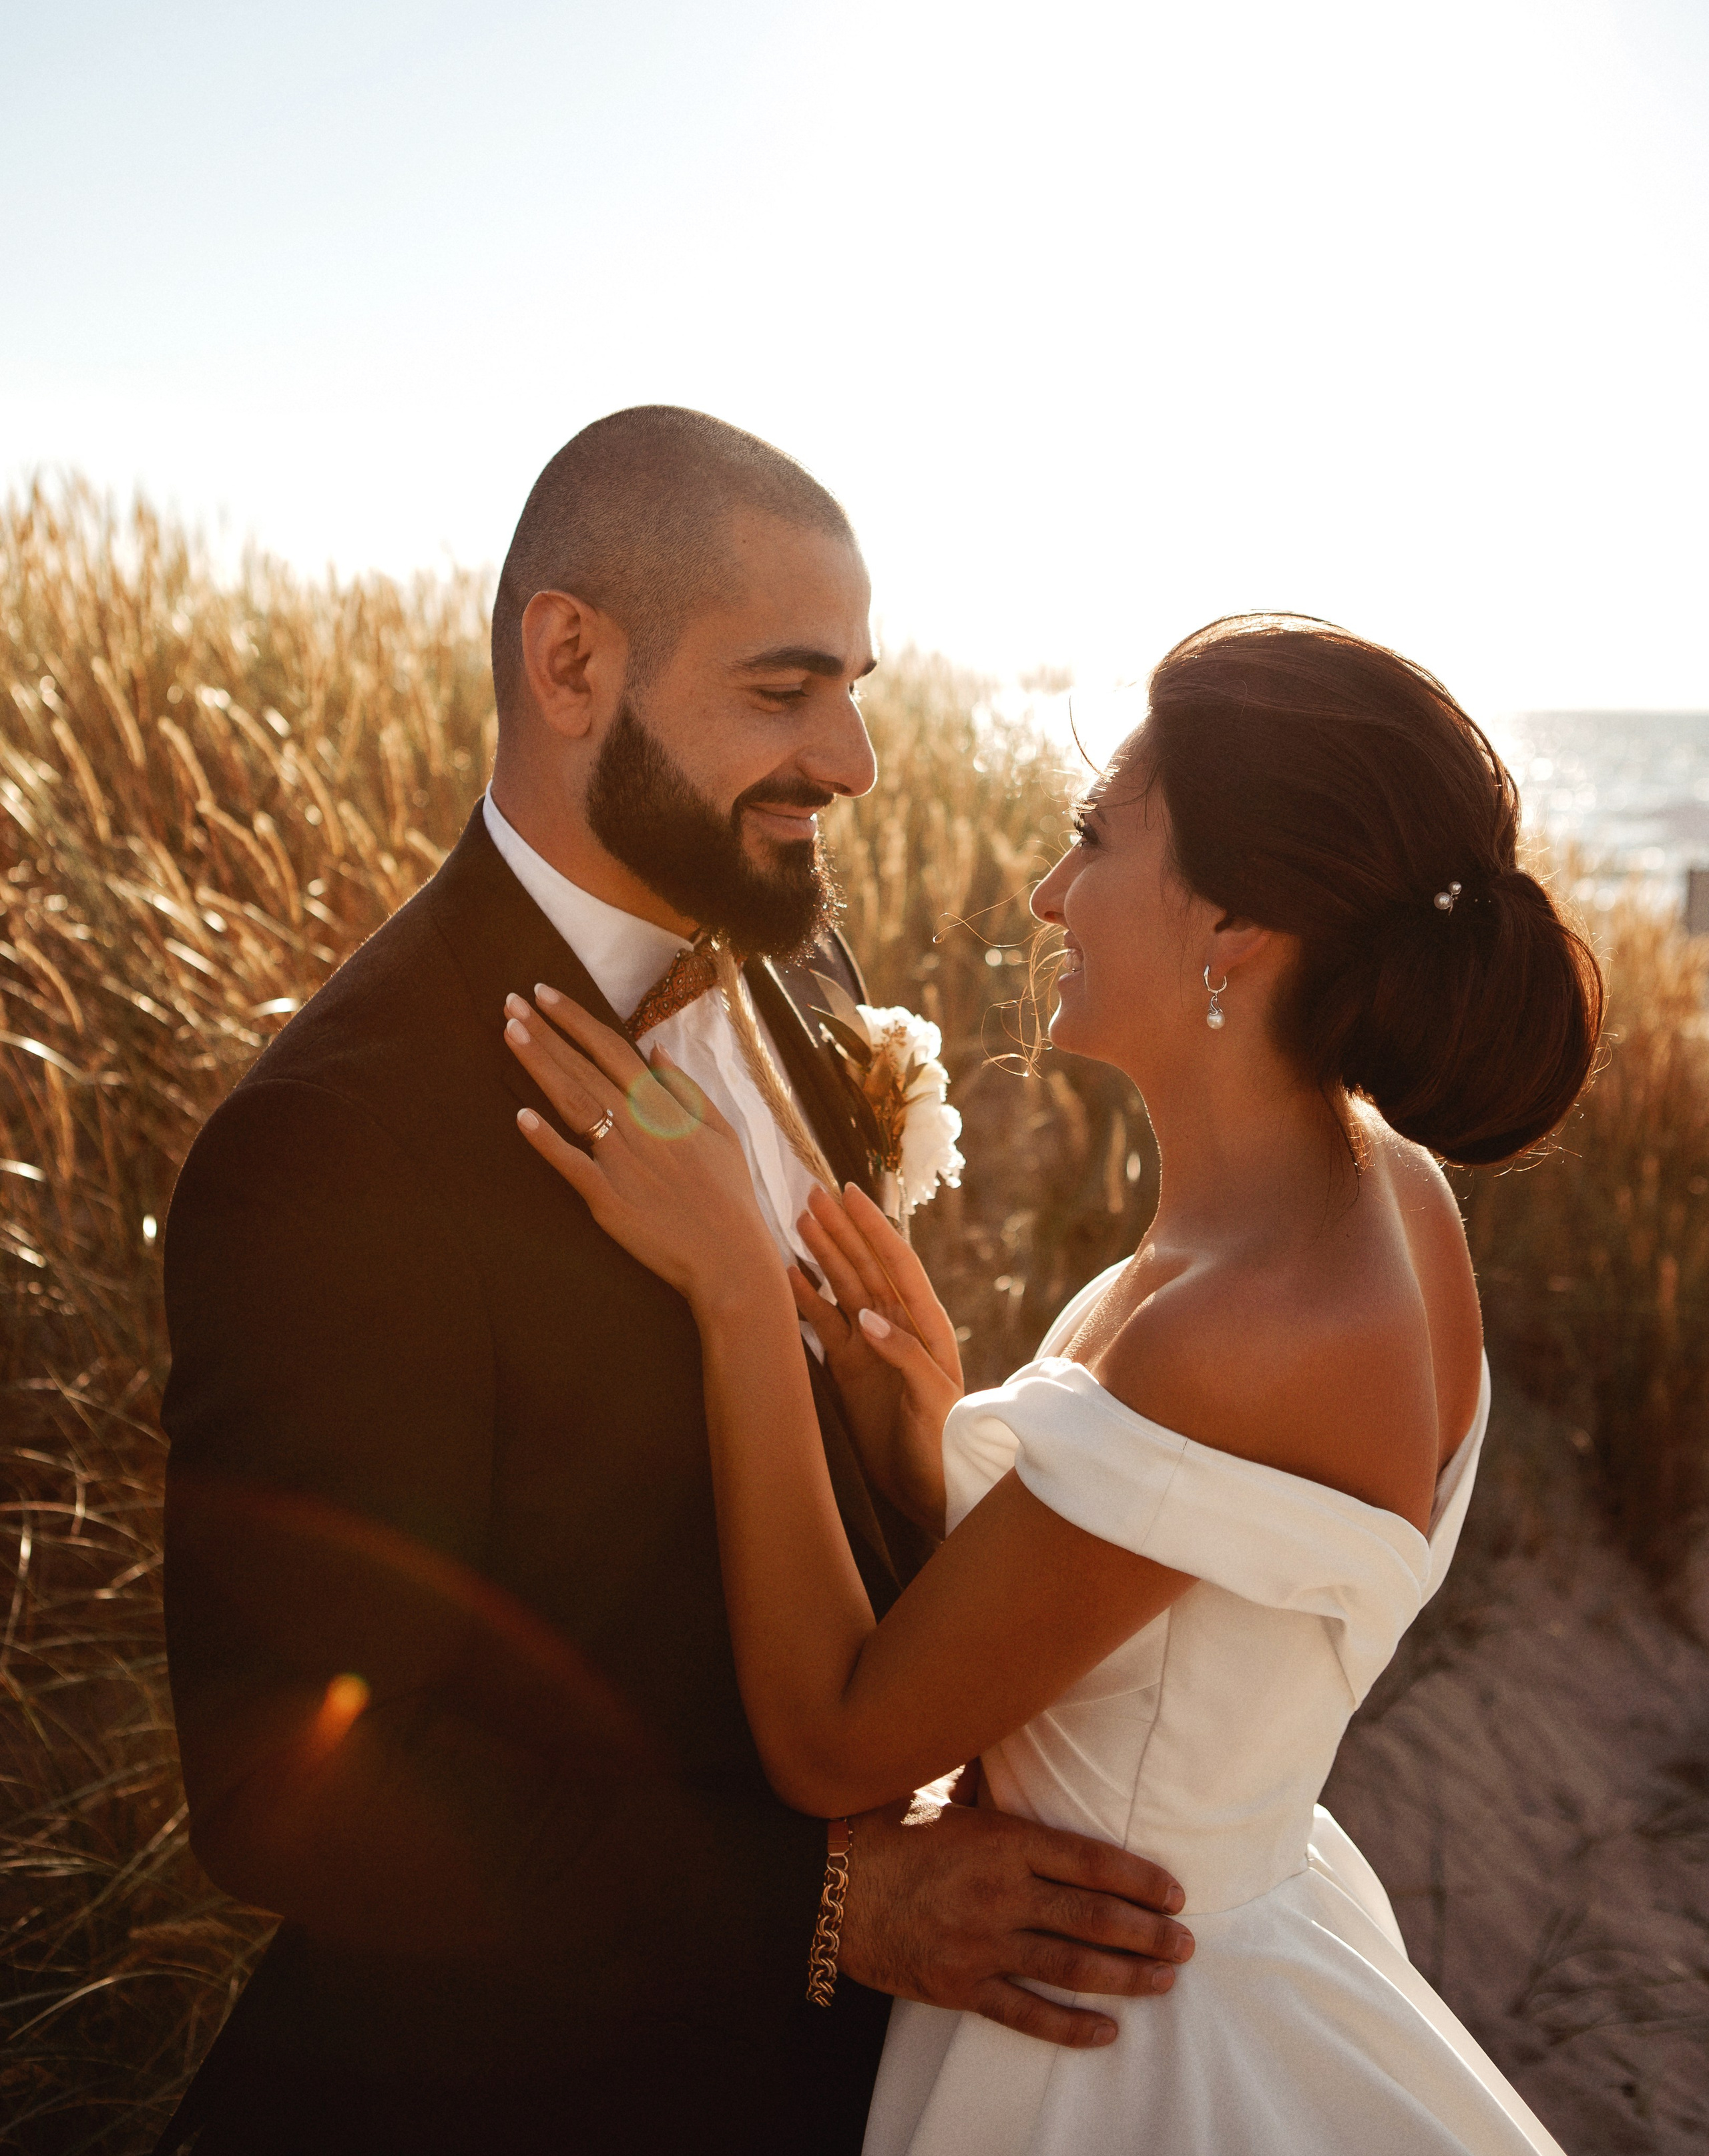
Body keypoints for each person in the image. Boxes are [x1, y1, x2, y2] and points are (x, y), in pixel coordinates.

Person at [154, 408, 1191, 2156]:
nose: (854, 759)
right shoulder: (339, 1147)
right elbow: (290, 1789)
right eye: (786, 691)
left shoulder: (789, 951)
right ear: (571, 662)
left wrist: (919, 1446)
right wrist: (834, 1903)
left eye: (855, 687)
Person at [503, 613, 1602, 2155]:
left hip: (1125, 2051)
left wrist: (737, 1293)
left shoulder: (1247, 1319)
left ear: (1237, 925)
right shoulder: (1380, 1199)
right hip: (1230, 1933)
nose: (1045, 892)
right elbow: (1143, 1616)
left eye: (1094, 836)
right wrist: (926, 1444)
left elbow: (833, 1741)